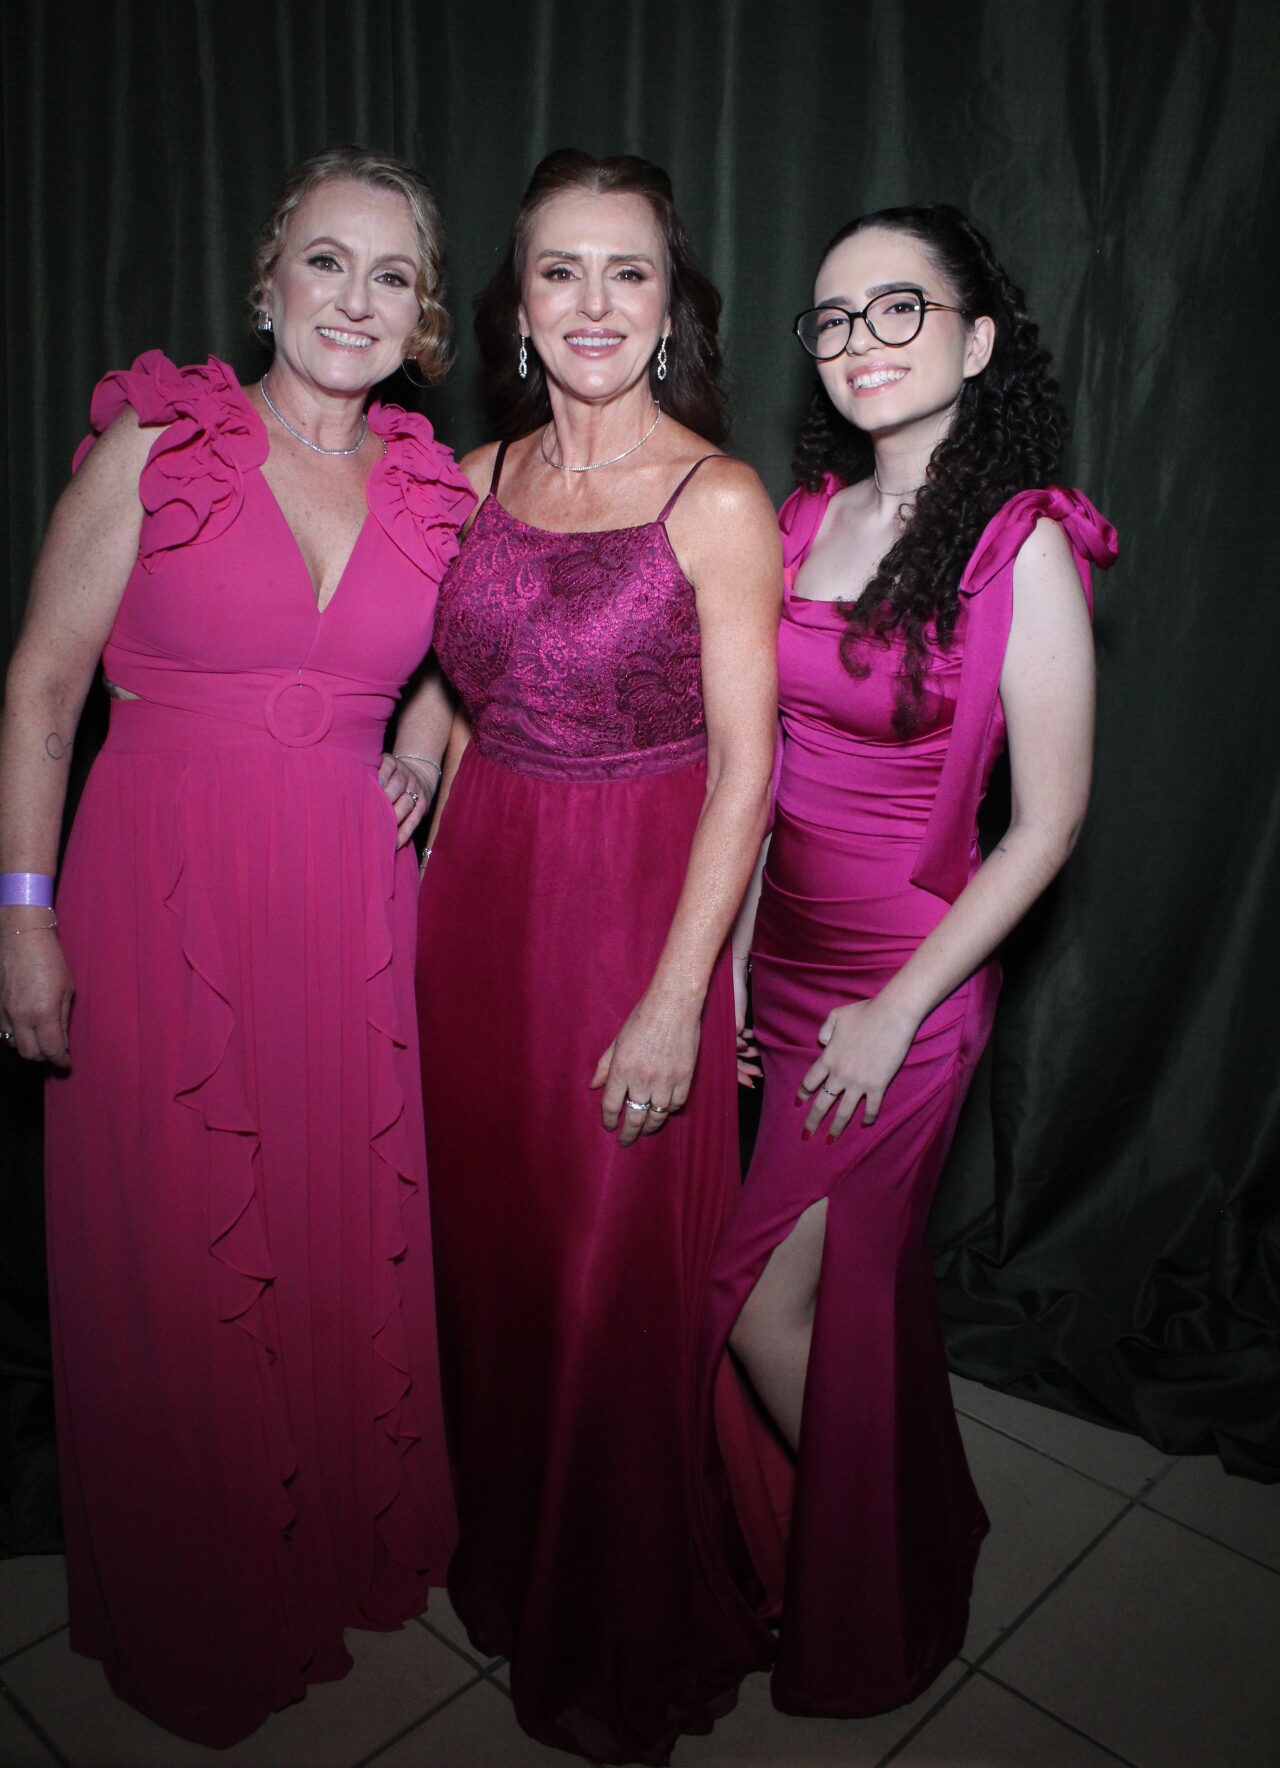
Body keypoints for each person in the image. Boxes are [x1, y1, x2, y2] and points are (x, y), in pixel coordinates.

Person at [0, 146, 473, 1747]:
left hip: (348, 907)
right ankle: (200, 1607)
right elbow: (42, 686)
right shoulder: (162, 442)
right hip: (159, 897)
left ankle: (326, 1555)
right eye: (326, 261)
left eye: (392, 276)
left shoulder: (434, 485)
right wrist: (22, 913)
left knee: (334, 1231)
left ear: (423, 319)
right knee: (177, 1247)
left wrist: (421, 735)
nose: (355, 298)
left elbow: (464, 655)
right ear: (268, 283)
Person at [704, 205, 1118, 1717]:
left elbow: (1048, 826)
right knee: (845, 1302)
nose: (858, 342)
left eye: (897, 309)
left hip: (910, 984)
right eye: (832, 318)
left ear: (977, 340)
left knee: (761, 1306)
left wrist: (894, 1009)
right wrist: (733, 960)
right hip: (786, 964)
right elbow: (762, 774)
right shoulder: (804, 520)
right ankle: (908, 1527)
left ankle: (885, 1567)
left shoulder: (1022, 546)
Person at [405, 151, 780, 1764]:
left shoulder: (720, 499)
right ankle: (511, 1561)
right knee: (494, 1270)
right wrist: (424, 759)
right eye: (562, 270)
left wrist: (685, 998)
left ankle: (616, 1624)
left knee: (606, 1286)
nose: (595, 304)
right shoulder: (471, 475)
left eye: (630, 271)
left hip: (637, 912)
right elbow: (462, 677)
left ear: (671, 304)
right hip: (477, 911)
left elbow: (750, 770)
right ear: (518, 304)